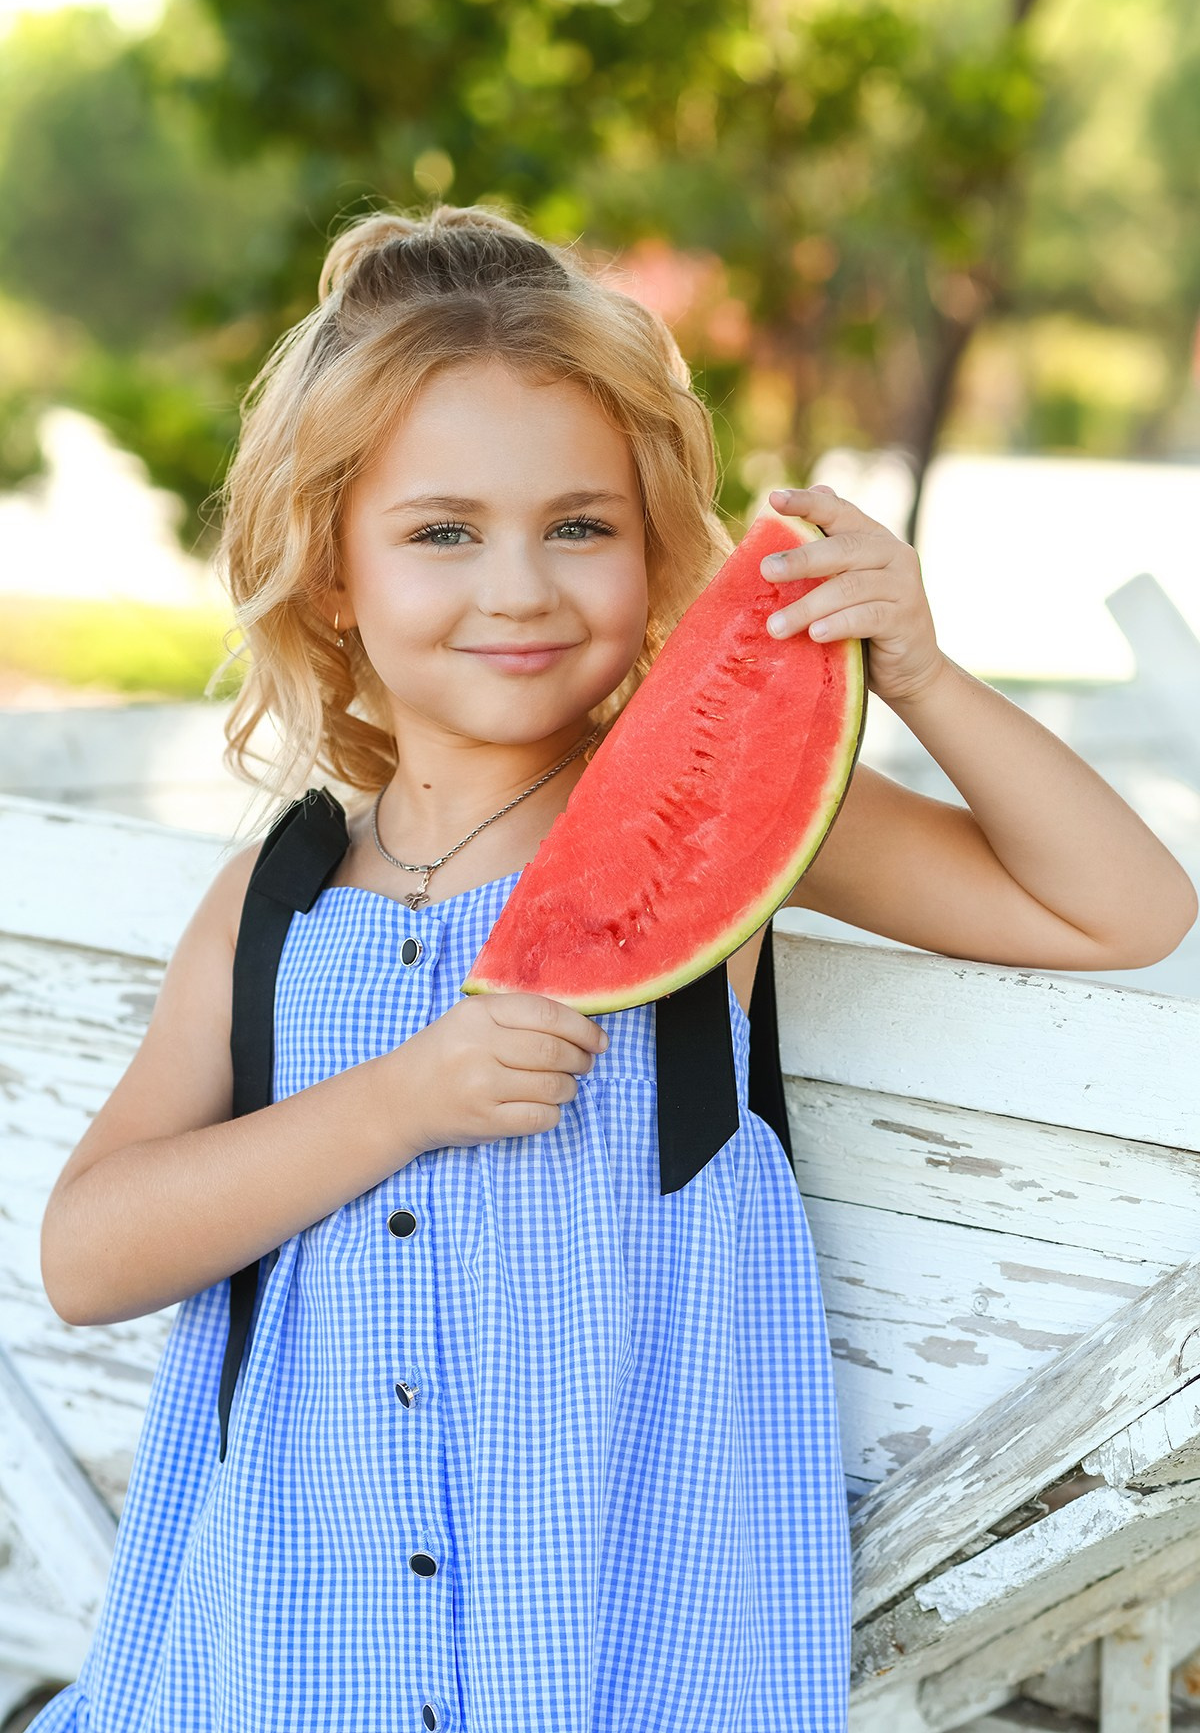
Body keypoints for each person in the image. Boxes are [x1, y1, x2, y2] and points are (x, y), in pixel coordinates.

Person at [33, 203, 1197, 1733]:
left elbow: (1120, 908)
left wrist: (913, 668)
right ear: (331, 576)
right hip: (282, 1639)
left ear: (654, 556)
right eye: (442, 532)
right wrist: (400, 1101)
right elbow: (86, 1254)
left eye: (579, 526)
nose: (519, 586)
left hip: (611, 1634)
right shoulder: (274, 897)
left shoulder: (717, 819)